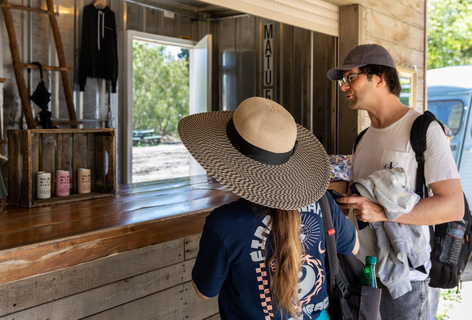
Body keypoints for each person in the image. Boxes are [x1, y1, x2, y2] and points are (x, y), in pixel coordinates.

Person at [178, 97, 359, 320]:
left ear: (231, 161)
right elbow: (354, 246)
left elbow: (204, 291)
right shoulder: (322, 202)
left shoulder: (224, 224)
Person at [327, 44, 464, 320]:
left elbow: (452, 206)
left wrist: (381, 211)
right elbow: (360, 196)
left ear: (379, 77)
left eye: (350, 77)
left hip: (402, 281)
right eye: (343, 81)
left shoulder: (423, 130)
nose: (344, 87)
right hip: (360, 274)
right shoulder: (362, 139)